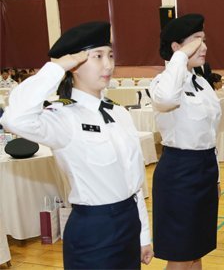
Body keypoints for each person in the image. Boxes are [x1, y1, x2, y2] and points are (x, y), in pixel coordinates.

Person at [0, 21, 154, 269]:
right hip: (93, 231)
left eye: (111, 55)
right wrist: (56, 67)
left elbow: (133, 183)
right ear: (75, 64)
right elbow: (14, 118)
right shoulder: (63, 118)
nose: (108, 64)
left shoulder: (120, 113)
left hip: (129, 223)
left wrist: (143, 235)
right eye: (97, 56)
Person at [150, 13, 221, 270]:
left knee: (197, 249)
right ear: (176, 47)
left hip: (204, 168)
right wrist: (179, 58)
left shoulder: (201, 82)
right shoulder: (162, 83)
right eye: (196, 40)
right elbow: (167, 99)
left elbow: (209, 133)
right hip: (179, 172)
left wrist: (216, 177)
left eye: (204, 39)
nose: (204, 46)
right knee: (181, 253)